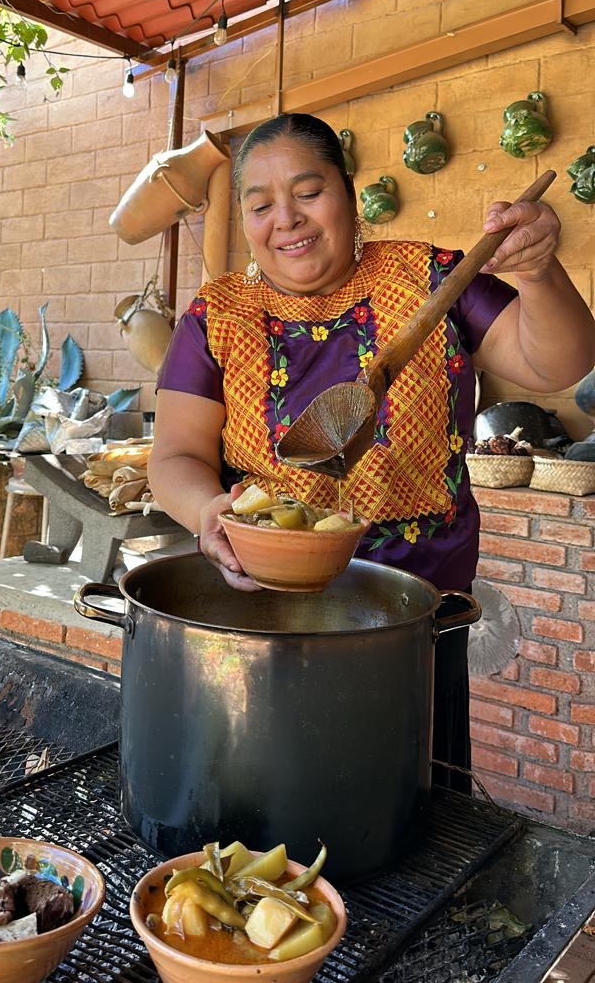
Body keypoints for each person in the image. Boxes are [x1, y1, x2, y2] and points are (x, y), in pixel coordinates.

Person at [148, 113, 595, 789]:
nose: (286, 220)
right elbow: (176, 455)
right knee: (265, 797)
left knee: (408, 803)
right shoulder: (218, 316)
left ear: (349, 194)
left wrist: (539, 273)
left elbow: (560, 361)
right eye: (261, 204)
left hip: (417, 618)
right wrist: (208, 510)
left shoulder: (431, 277)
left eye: (308, 191)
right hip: (260, 612)